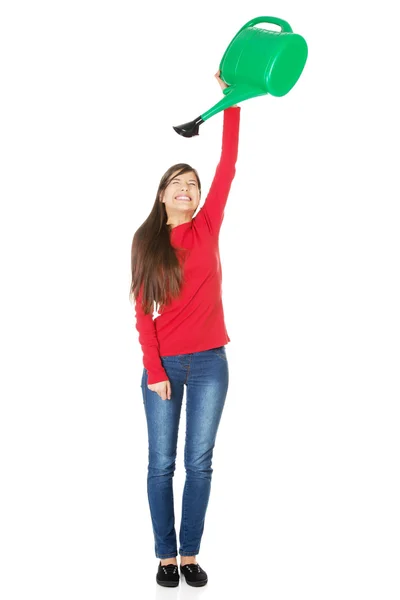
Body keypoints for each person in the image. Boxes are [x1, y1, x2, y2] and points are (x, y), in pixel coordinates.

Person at [130, 69, 241, 587]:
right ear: (162, 195)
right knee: (160, 464)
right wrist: (155, 370)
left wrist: (231, 101)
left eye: (191, 185)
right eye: (177, 183)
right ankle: (164, 555)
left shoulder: (208, 225)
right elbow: (141, 314)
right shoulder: (147, 243)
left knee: (199, 463)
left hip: (211, 362)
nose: (187, 188)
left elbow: (228, 164)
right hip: (165, 365)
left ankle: (189, 554)